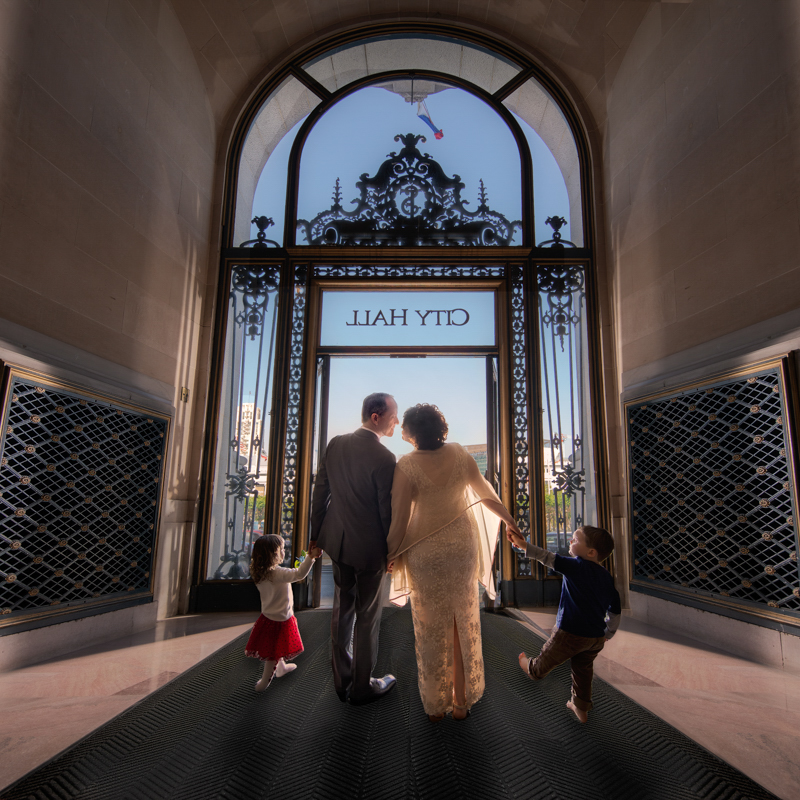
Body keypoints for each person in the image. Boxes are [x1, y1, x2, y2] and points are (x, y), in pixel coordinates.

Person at [386, 403, 519, 722]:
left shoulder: (405, 464)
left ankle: (436, 706)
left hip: (425, 550)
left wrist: (390, 553)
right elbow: (486, 494)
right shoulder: (460, 454)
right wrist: (510, 521)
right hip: (461, 546)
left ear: (411, 433)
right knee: (462, 619)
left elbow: (400, 518)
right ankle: (461, 702)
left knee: (431, 626)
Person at [309, 392, 399, 705]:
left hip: (338, 542)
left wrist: (314, 537)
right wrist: (393, 551)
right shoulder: (385, 458)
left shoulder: (335, 444)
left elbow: (320, 493)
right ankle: (363, 686)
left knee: (341, 610)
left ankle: (341, 680)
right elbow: (386, 512)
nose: (396, 422)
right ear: (376, 417)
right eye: (393, 415)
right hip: (371, 549)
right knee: (368, 616)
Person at [507, 525, 621, 723]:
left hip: (569, 634)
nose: (570, 541)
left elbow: (546, 557)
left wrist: (523, 545)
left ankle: (530, 667)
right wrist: (608, 633)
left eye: (575, 540)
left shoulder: (576, 565)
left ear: (590, 552)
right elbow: (615, 608)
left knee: (545, 662)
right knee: (583, 671)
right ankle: (581, 707)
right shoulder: (606, 577)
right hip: (594, 638)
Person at [245, 533, 321, 691]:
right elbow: (299, 574)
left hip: (267, 617)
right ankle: (264, 682)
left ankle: (282, 668)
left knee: (275, 646)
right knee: (273, 653)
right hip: (280, 620)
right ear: (273, 554)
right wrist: (310, 558)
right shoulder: (277, 573)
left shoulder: (259, 572)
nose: (284, 551)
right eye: (282, 549)